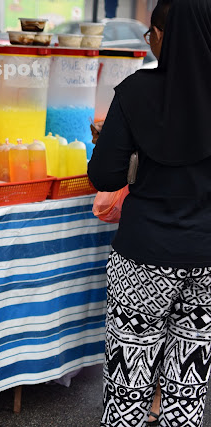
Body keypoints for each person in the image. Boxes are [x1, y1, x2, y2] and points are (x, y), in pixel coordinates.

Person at [88, 0, 211, 426]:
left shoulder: (137, 92)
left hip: (144, 259)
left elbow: (104, 173)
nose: (150, 41)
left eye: (152, 33)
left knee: (128, 383)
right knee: (188, 384)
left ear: (165, 35)